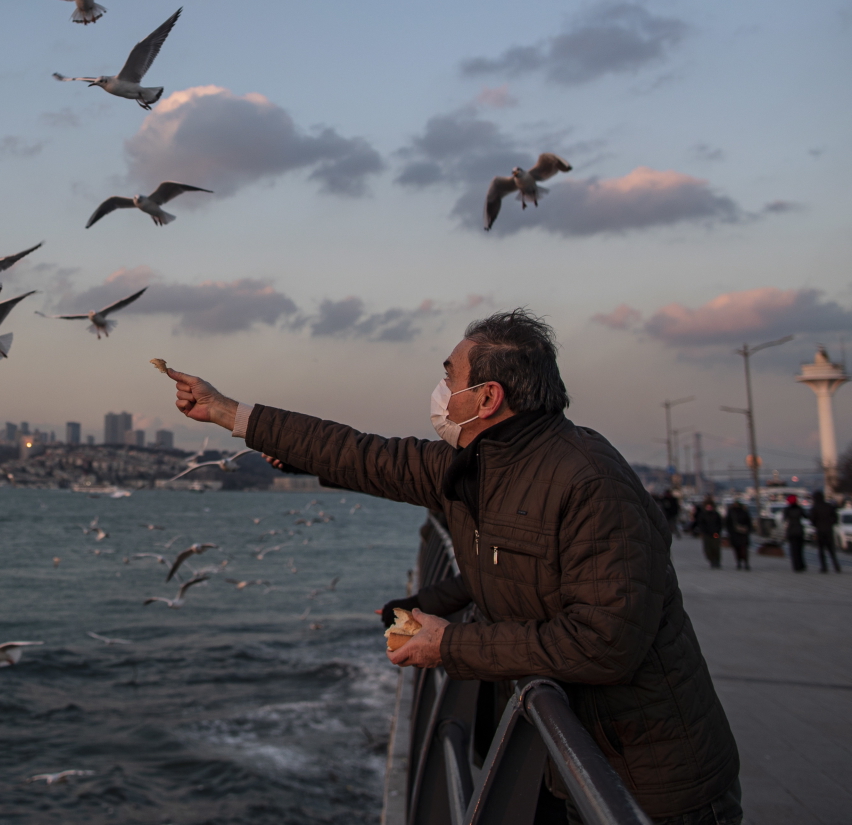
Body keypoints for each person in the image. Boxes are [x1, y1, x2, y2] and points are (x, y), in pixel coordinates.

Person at [165, 309, 741, 825]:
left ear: (486, 398)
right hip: (565, 762)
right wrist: (225, 411)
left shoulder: (589, 479)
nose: (440, 392)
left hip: (654, 789)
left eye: (449, 377)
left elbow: (605, 642)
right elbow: (363, 455)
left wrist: (449, 646)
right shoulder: (479, 467)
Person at [809, 489, 841, 574]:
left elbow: (812, 520)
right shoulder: (829, 506)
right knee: (831, 550)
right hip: (829, 530)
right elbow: (835, 518)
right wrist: (830, 523)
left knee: (821, 550)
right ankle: (836, 566)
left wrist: (816, 525)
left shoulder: (815, 507)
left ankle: (824, 567)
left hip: (820, 531)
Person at [694, 498, 724, 569]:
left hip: (715, 533)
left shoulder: (716, 514)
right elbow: (701, 524)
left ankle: (717, 560)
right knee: (708, 548)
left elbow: (720, 524)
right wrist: (704, 531)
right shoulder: (703, 515)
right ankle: (711, 560)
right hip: (706, 534)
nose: (709, 507)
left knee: (716, 547)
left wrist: (717, 531)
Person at [783, 494, 808, 572]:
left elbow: (784, 519)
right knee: (800, 549)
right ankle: (801, 565)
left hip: (791, 530)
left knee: (793, 550)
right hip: (799, 530)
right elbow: (806, 516)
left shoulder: (787, 509)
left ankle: (795, 566)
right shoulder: (799, 509)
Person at [724, 501, 752, 571]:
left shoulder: (744, 512)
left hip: (743, 534)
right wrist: (730, 532)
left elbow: (748, 522)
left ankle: (746, 563)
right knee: (737, 549)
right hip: (734, 534)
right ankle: (739, 562)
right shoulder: (731, 513)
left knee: (744, 549)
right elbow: (727, 523)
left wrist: (747, 529)